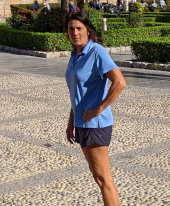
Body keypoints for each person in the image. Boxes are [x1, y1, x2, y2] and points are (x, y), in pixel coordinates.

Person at [64, 12, 126, 206]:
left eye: (79, 28)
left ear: (88, 31)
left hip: (95, 124)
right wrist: (70, 122)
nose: (75, 32)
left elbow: (119, 83)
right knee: (97, 177)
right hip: (82, 123)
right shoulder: (75, 54)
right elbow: (77, 92)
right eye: (71, 29)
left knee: (103, 178)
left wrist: (99, 108)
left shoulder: (96, 51)